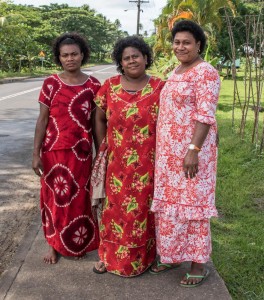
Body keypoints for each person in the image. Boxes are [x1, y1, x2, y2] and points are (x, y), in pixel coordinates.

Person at [150, 20, 220, 287]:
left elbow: (205, 115)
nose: (180, 46)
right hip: (168, 155)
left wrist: (193, 150)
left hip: (192, 153)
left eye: (186, 42)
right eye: (177, 42)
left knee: (193, 207)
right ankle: (171, 255)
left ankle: (198, 264)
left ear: (198, 44)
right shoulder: (177, 70)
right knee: (170, 207)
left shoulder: (205, 72)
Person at [92, 36, 164, 277]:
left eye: (136, 56)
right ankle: (107, 257)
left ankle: (145, 258)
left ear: (145, 58)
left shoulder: (159, 87)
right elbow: (99, 118)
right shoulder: (109, 86)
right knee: (114, 211)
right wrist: (105, 146)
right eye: (126, 58)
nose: (131, 61)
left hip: (149, 164)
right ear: (120, 63)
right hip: (116, 162)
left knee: (143, 212)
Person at [32, 32, 100, 264]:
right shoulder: (51, 83)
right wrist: (35, 154)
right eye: (65, 55)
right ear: (59, 58)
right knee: (54, 200)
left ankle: (76, 243)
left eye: (74, 54)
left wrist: (100, 154)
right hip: (53, 154)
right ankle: (53, 245)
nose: (70, 59)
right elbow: (42, 120)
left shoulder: (93, 85)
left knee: (80, 200)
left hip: (81, 155)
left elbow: (97, 123)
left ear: (82, 55)